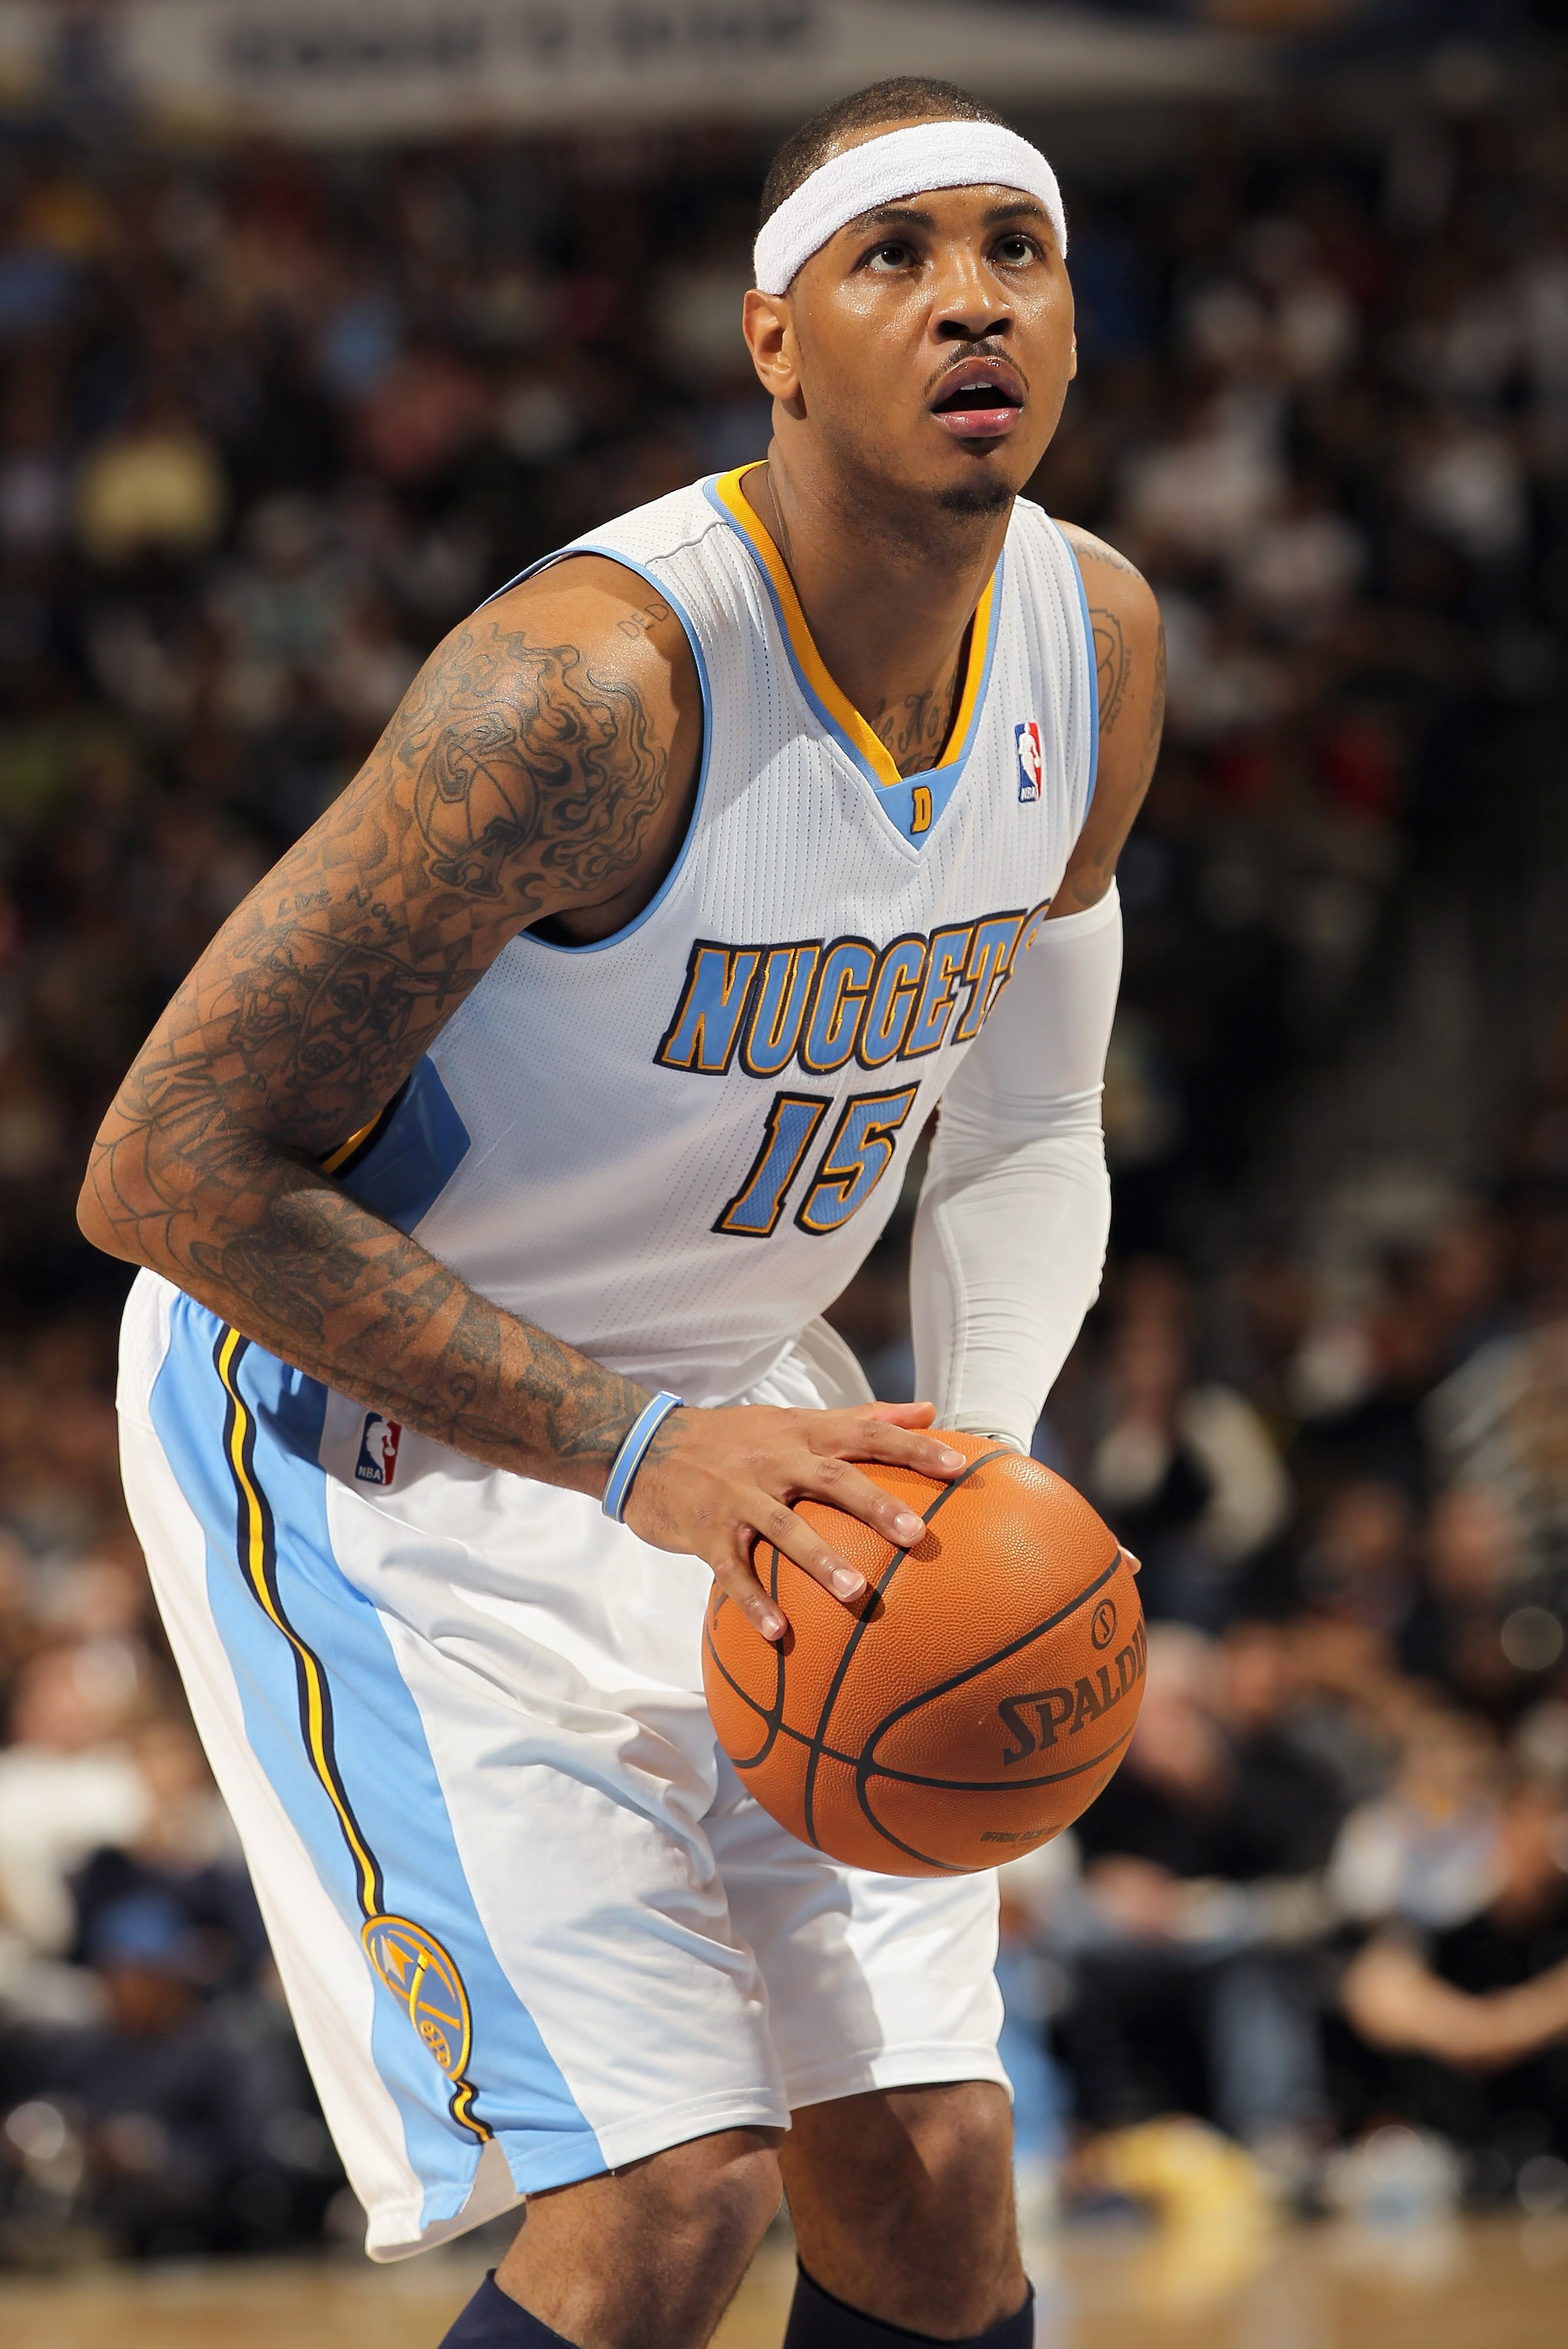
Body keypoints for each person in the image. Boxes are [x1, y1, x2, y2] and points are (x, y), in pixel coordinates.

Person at [76, 78, 1163, 2349]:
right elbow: (167, 1166)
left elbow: (1036, 1112)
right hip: (384, 1451)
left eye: (1016, 250)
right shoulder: (587, 687)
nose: (971, 297)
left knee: (939, 2174)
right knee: (666, 2207)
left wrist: (970, 1458)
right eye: (897, 255)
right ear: (772, 338)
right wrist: (644, 1458)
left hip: (757, 1430)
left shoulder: (1093, 643)